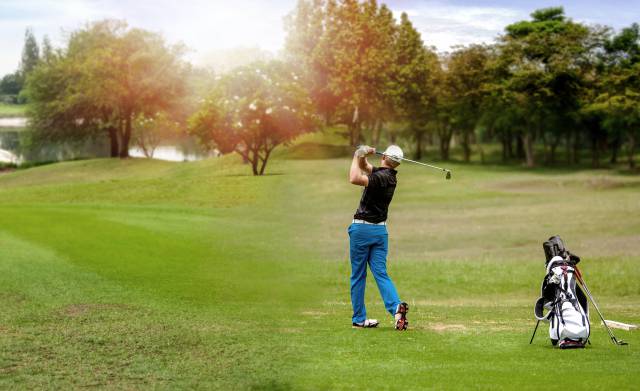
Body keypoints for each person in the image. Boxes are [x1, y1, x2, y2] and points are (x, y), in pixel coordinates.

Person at [347, 145, 408, 330]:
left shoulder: (379, 177)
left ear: (385, 158)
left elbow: (354, 178)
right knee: (381, 273)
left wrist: (357, 153)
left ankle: (359, 318)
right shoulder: (389, 177)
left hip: (362, 231)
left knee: (358, 275)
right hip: (380, 232)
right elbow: (365, 166)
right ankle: (396, 309)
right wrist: (362, 155)